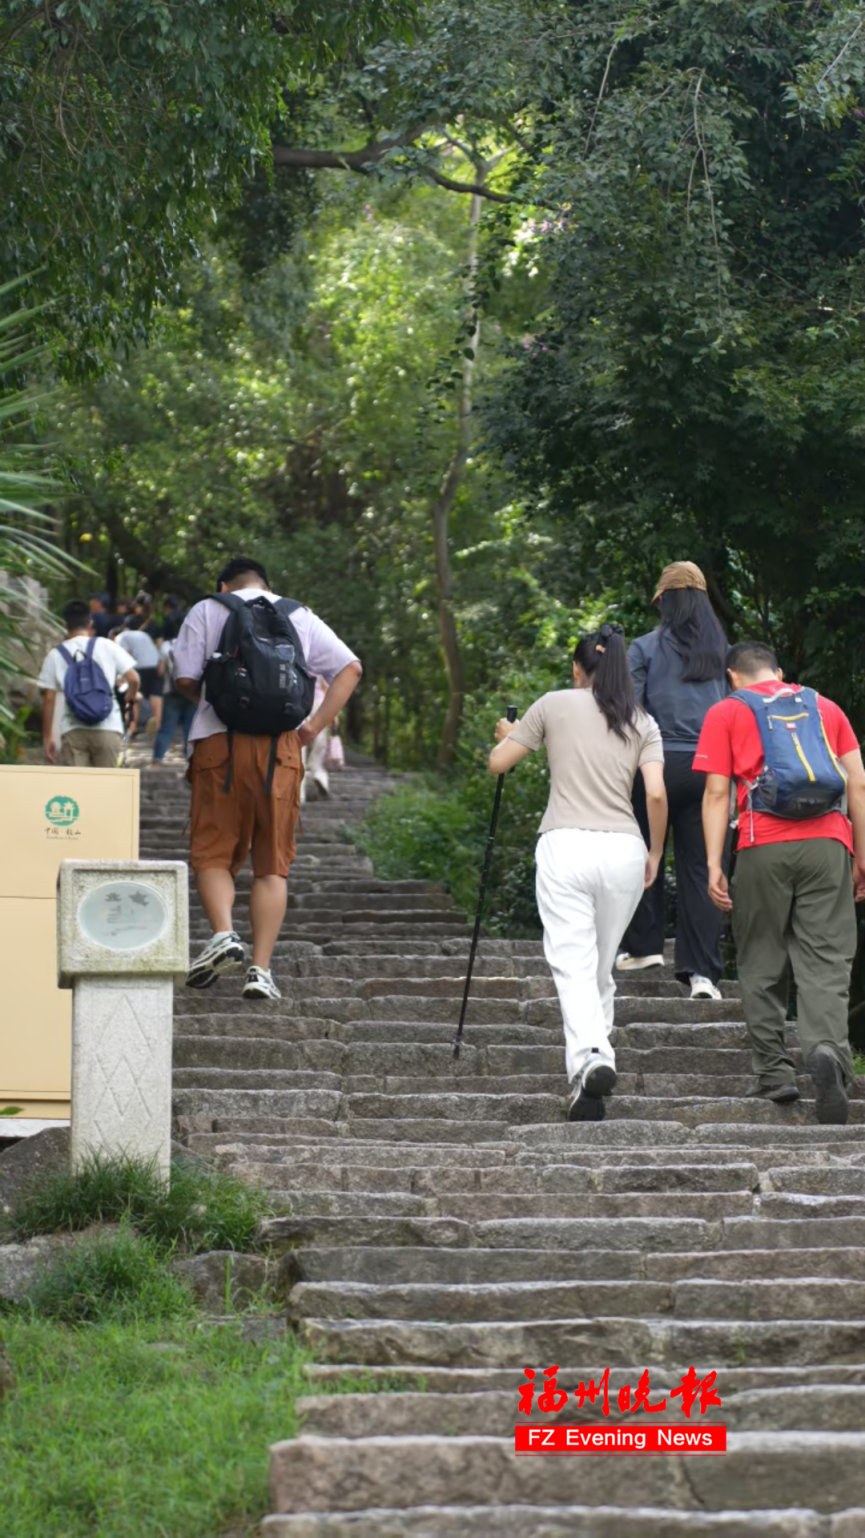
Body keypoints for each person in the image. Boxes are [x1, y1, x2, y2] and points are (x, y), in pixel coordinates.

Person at [489, 623, 667, 1121]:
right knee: (600, 968)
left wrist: (509, 735)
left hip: (565, 844)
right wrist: (655, 852)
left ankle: (591, 1056)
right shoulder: (641, 720)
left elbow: (499, 764)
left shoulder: (553, 704)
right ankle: (591, 1072)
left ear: (576, 669)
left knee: (573, 963)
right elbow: (655, 793)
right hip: (624, 849)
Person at [173, 555, 362, 1001]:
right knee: (272, 864)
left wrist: (216, 700)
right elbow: (351, 669)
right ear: (267, 585)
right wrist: (311, 729)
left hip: (219, 745)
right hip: (282, 749)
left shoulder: (208, 608)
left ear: (224, 585)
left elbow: (184, 678)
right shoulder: (298, 614)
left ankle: (223, 934)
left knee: (213, 854)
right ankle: (260, 970)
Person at [698, 641, 865, 1124]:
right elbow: (857, 783)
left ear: (733, 677)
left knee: (761, 956)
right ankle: (827, 1051)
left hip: (761, 844)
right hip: (828, 843)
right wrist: (861, 855)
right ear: (779, 671)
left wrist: (713, 863)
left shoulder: (727, 712)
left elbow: (716, 794)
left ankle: (775, 1072)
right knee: (827, 958)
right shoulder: (824, 707)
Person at [617, 560, 729, 1000]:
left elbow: (629, 712)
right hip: (711, 773)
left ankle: (644, 947)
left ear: (663, 601)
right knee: (702, 868)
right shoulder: (724, 655)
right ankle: (702, 975)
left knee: (643, 851)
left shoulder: (643, 648)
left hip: (657, 765)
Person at [38, 599, 139, 767]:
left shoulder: (55, 655)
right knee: (106, 782)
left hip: (73, 730)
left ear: (65, 626)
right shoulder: (107, 646)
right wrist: (130, 697)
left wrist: (48, 737)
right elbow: (134, 678)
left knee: (78, 784)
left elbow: (49, 699)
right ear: (90, 624)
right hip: (108, 727)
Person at [150, 616, 196, 765]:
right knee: (190, 728)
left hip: (171, 691)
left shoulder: (166, 645)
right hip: (192, 691)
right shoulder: (196, 644)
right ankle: (190, 760)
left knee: (166, 727)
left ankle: (157, 759)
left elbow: (160, 671)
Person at [115, 618, 163, 734]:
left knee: (134, 695)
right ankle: (157, 724)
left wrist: (121, 675)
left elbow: (123, 655)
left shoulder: (121, 636)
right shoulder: (145, 635)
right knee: (154, 694)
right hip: (154, 665)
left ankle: (131, 727)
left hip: (139, 667)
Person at [300, 677, 331, 804]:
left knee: (302, 746)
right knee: (318, 745)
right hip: (317, 702)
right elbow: (326, 686)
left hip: (304, 700)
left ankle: (300, 793)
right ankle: (317, 773)